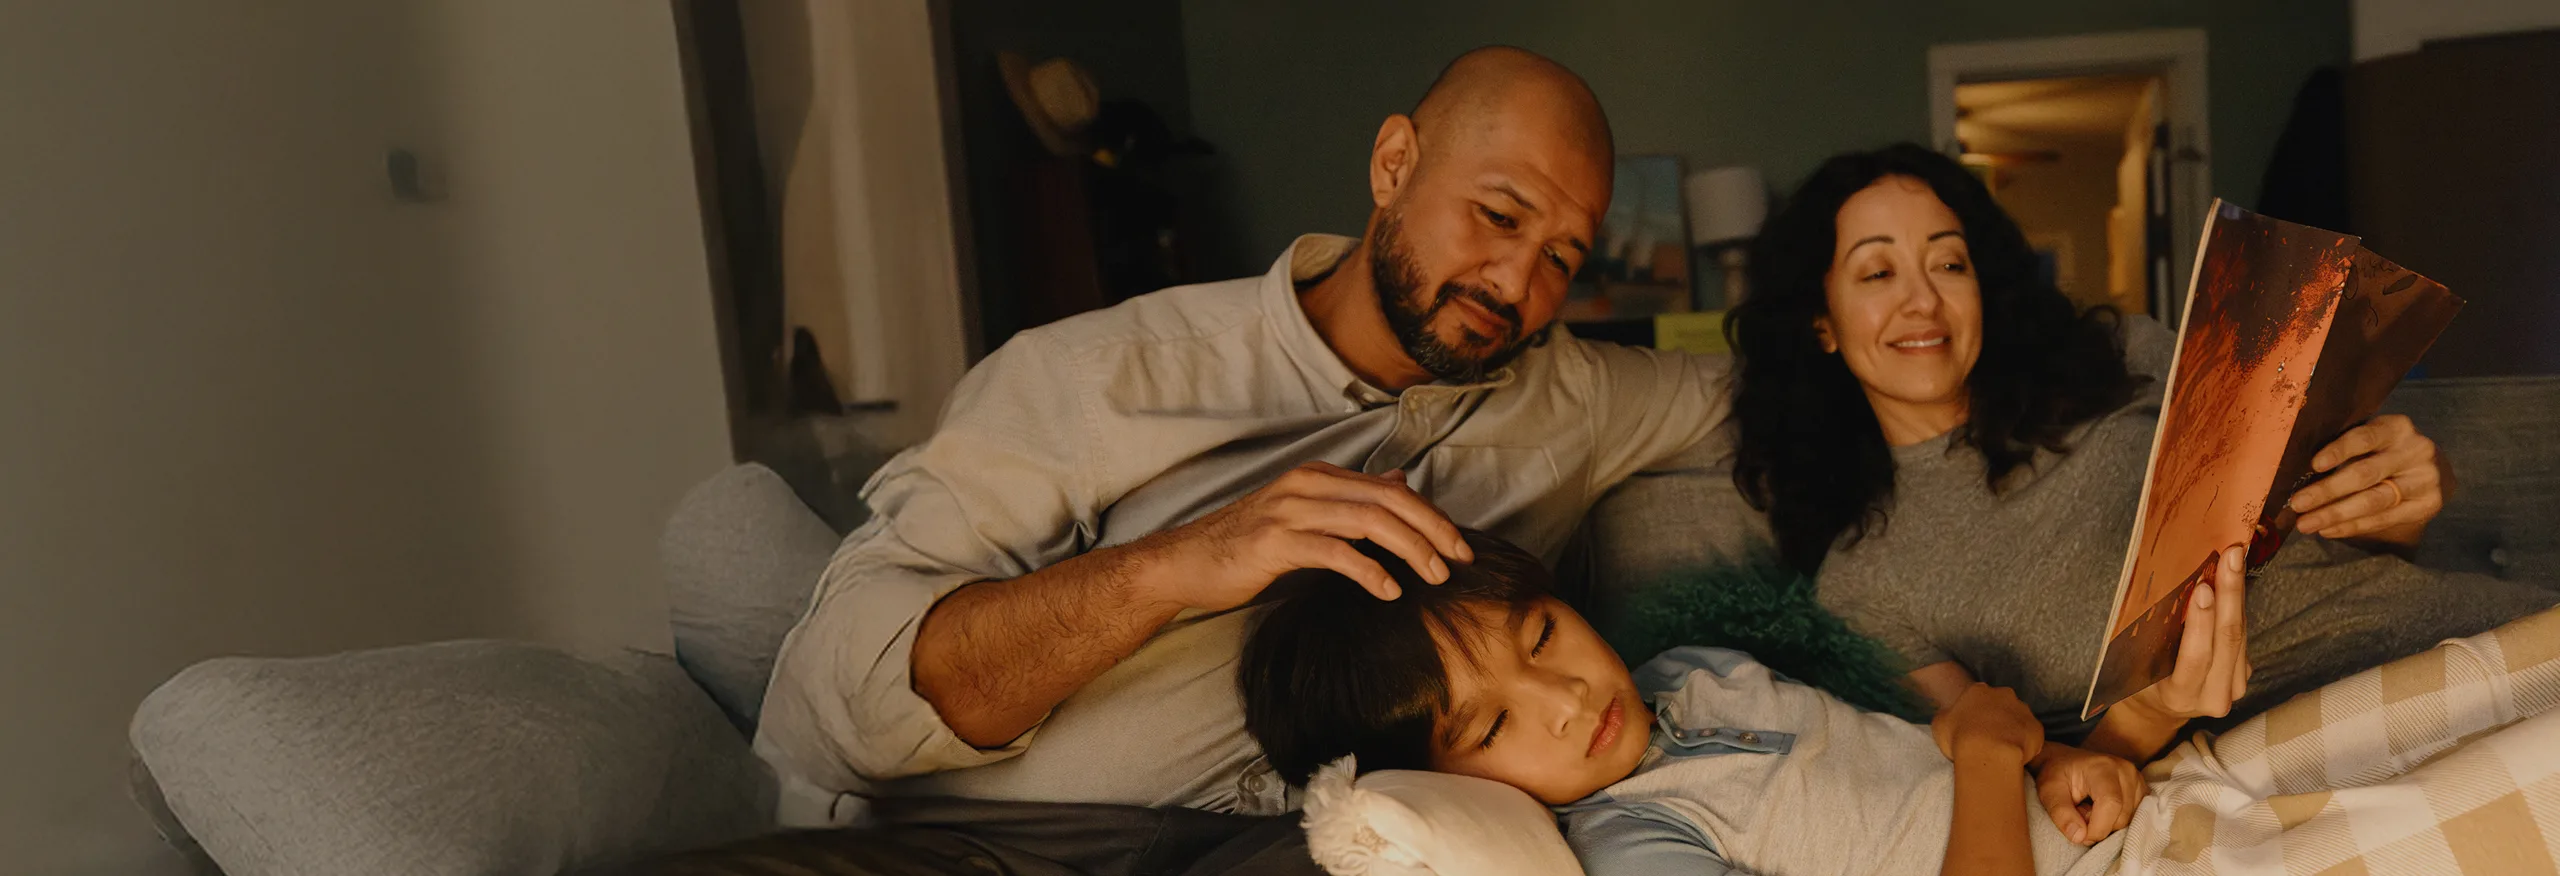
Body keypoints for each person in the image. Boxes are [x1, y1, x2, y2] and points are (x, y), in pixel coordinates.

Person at [721, 46, 1732, 875]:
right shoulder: (1096, 380)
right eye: (1499, 215)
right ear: (1394, 167)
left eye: (1562, 255)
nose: (1516, 281)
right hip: (979, 843)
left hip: (1296, 848)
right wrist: (1169, 568)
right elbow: (832, 706)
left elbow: (1769, 389)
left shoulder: (1573, 397)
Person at [1714, 143, 2557, 762]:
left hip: (2471, 635)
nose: (1923, 299)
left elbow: (2344, 558)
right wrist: (2149, 716)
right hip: (2334, 740)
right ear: (1819, 322)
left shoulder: (2130, 359)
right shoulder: (1863, 583)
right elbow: (2032, 773)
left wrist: (2396, 500)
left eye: (1949, 262)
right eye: (1875, 274)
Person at [1240, 531, 2560, 875]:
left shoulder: (1677, 676)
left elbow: (1898, 690)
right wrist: (1992, 764)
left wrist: (2108, 740)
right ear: (1448, 781)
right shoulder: (1635, 841)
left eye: (1537, 634)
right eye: (1489, 724)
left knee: (2498, 684)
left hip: (2149, 806)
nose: (1562, 693)